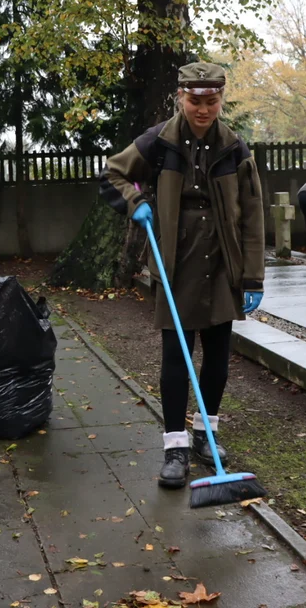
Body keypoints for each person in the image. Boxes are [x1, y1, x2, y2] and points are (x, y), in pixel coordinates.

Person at [100, 61, 265, 489]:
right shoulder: (159, 142)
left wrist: (252, 277)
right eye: (195, 101)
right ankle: (174, 446)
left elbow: (251, 215)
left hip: (222, 264)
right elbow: (113, 173)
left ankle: (204, 436)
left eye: (211, 101)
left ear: (221, 99)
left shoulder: (235, 148)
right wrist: (135, 205)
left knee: (216, 359)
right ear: (181, 97)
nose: (203, 110)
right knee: (177, 358)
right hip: (176, 263)